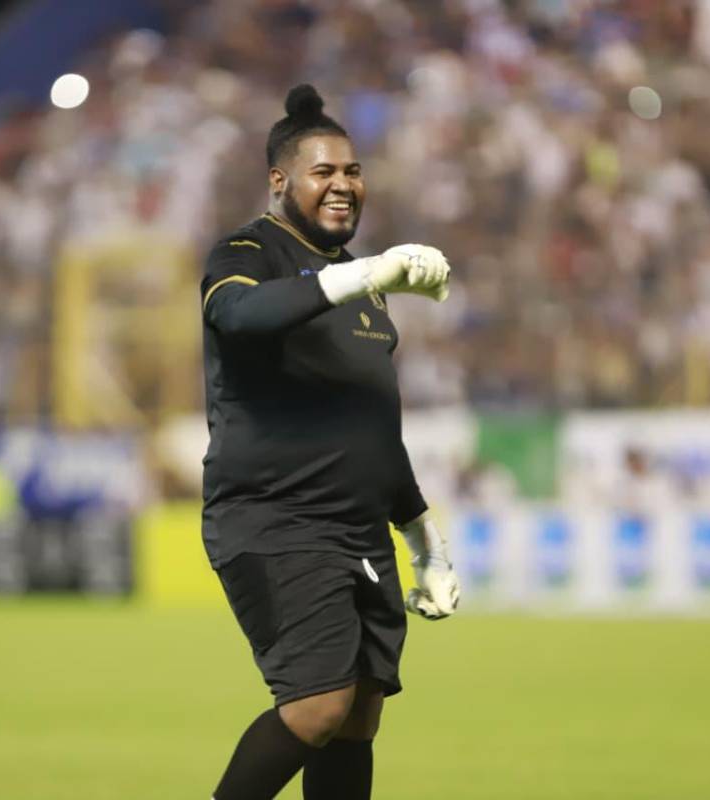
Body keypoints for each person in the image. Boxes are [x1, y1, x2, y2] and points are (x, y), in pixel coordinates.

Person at [199, 84, 461, 800]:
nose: (343, 185)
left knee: (358, 718)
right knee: (316, 708)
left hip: (358, 531)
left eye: (352, 171)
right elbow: (239, 317)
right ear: (281, 180)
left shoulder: (365, 292)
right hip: (273, 520)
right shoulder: (248, 251)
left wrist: (425, 541)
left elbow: (374, 426)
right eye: (324, 172)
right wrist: (367, 272)